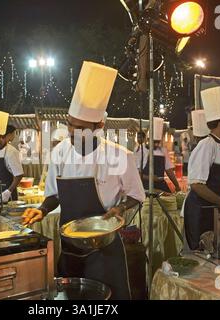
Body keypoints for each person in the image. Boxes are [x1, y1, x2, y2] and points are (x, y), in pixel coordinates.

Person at [21, 61, 145, 299]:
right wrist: (42, 210)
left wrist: (120, 207)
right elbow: (54, 195)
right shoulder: (59, 153)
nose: (71, 132)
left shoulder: (120, 155)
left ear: (99, 125)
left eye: (79, 127)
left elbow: (136, 196)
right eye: (69, 124)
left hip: (105, 250)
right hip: (69, 248)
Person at [184, 86, 220, 250]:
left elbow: (218, 183)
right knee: (201, 257)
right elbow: (197, 185)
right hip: (200, 211)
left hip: (213, 209)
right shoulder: (207, 145)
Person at [139, 117, 181, 193]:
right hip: (145, 186)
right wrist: (150, 177)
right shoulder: (141, 150)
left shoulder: (163, 151)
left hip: (160, 184)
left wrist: (177, 186)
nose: (156, 144)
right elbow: (137, 174)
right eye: (154, 142)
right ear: (148, 139)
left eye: (158, 142)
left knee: (170, 198)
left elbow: (169, 171)